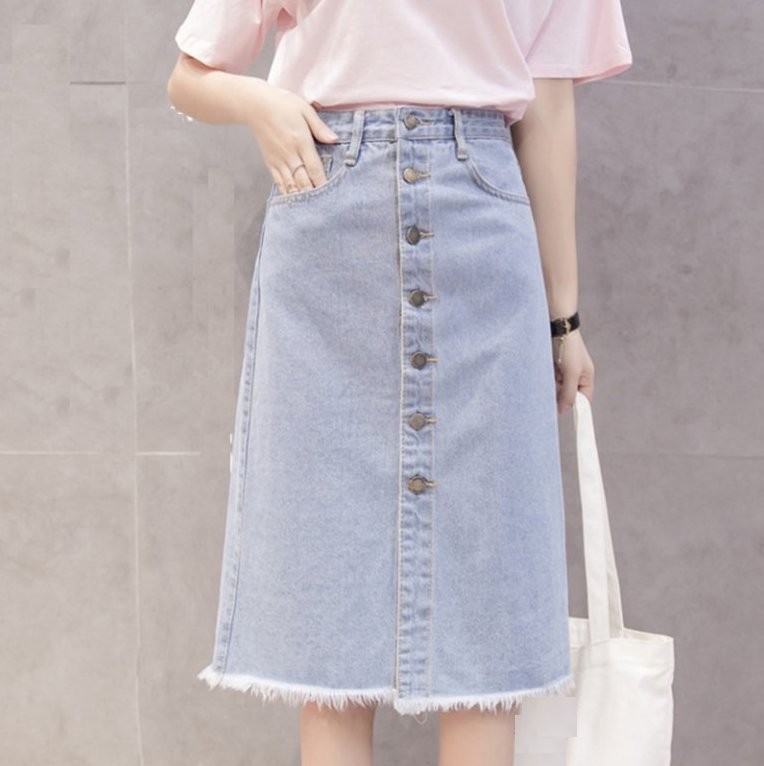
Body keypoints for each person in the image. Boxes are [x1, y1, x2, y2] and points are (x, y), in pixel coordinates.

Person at [167, 2, 632, 765]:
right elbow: (190, 76)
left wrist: (565, 317)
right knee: (331, 616)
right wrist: (260, 104)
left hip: (485, 230)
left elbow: (548, 107)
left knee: (486, 615)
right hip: (329, 224)